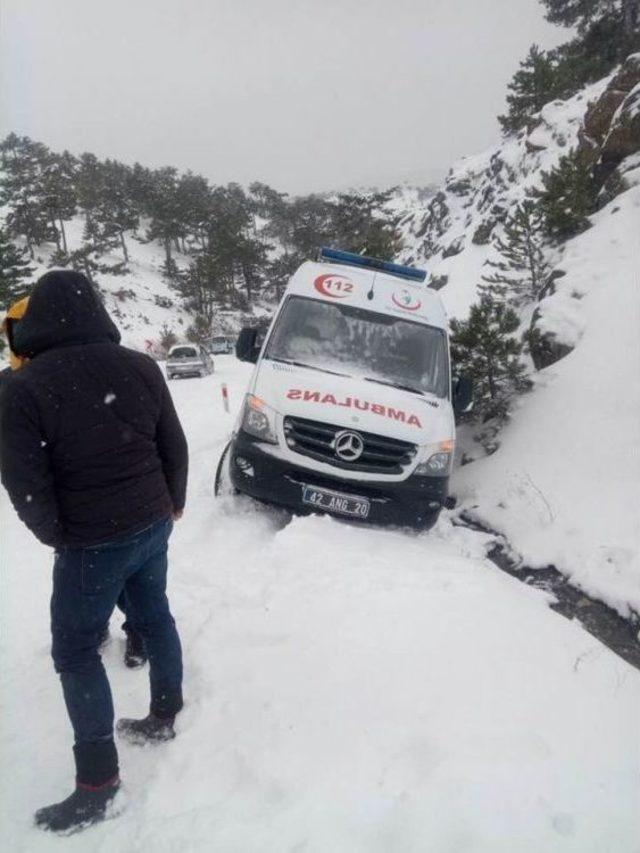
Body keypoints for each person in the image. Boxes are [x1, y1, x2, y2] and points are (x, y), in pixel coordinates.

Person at [0, 270, 189, 833]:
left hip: (93, 539)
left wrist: (59, 534)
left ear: (36, 321)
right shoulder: (140, 365)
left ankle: (97, 784)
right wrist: (173, 502)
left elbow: (24, 481)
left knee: (77, 651)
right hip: (153, 521)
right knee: (153, 614)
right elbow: (172, 442)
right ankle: (164, 712)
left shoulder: (21, 387)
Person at [2, 297, 148, 669]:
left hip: (92, 505)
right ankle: (113, 628)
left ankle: (130, 631)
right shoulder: (16, 379)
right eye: (11, 332)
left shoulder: (63, 368)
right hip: (76, 503)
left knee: (108, 573)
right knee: (114, 572)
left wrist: (52, 529)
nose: (17, 338)